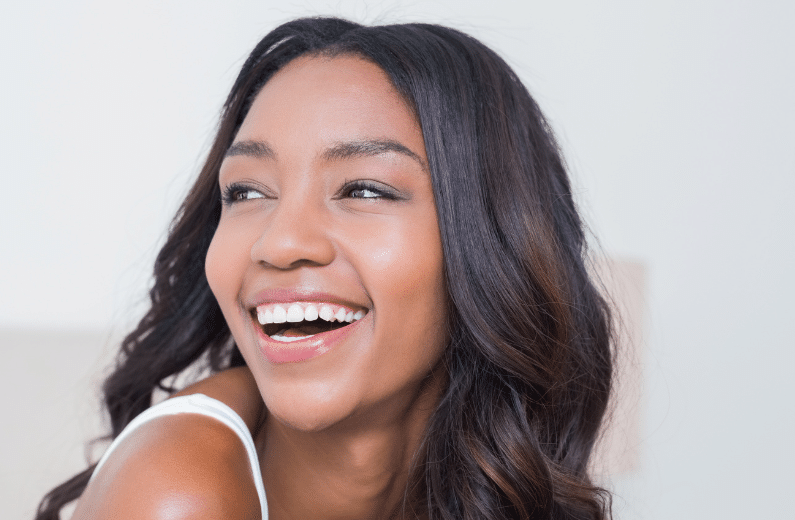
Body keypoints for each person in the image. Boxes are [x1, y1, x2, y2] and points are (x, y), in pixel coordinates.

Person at [36, 17, 613, 520]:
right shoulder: (178, 491)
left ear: (491, 238)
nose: (281, 243)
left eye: (363, 188)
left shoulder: (490, 477)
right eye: (246, 191)